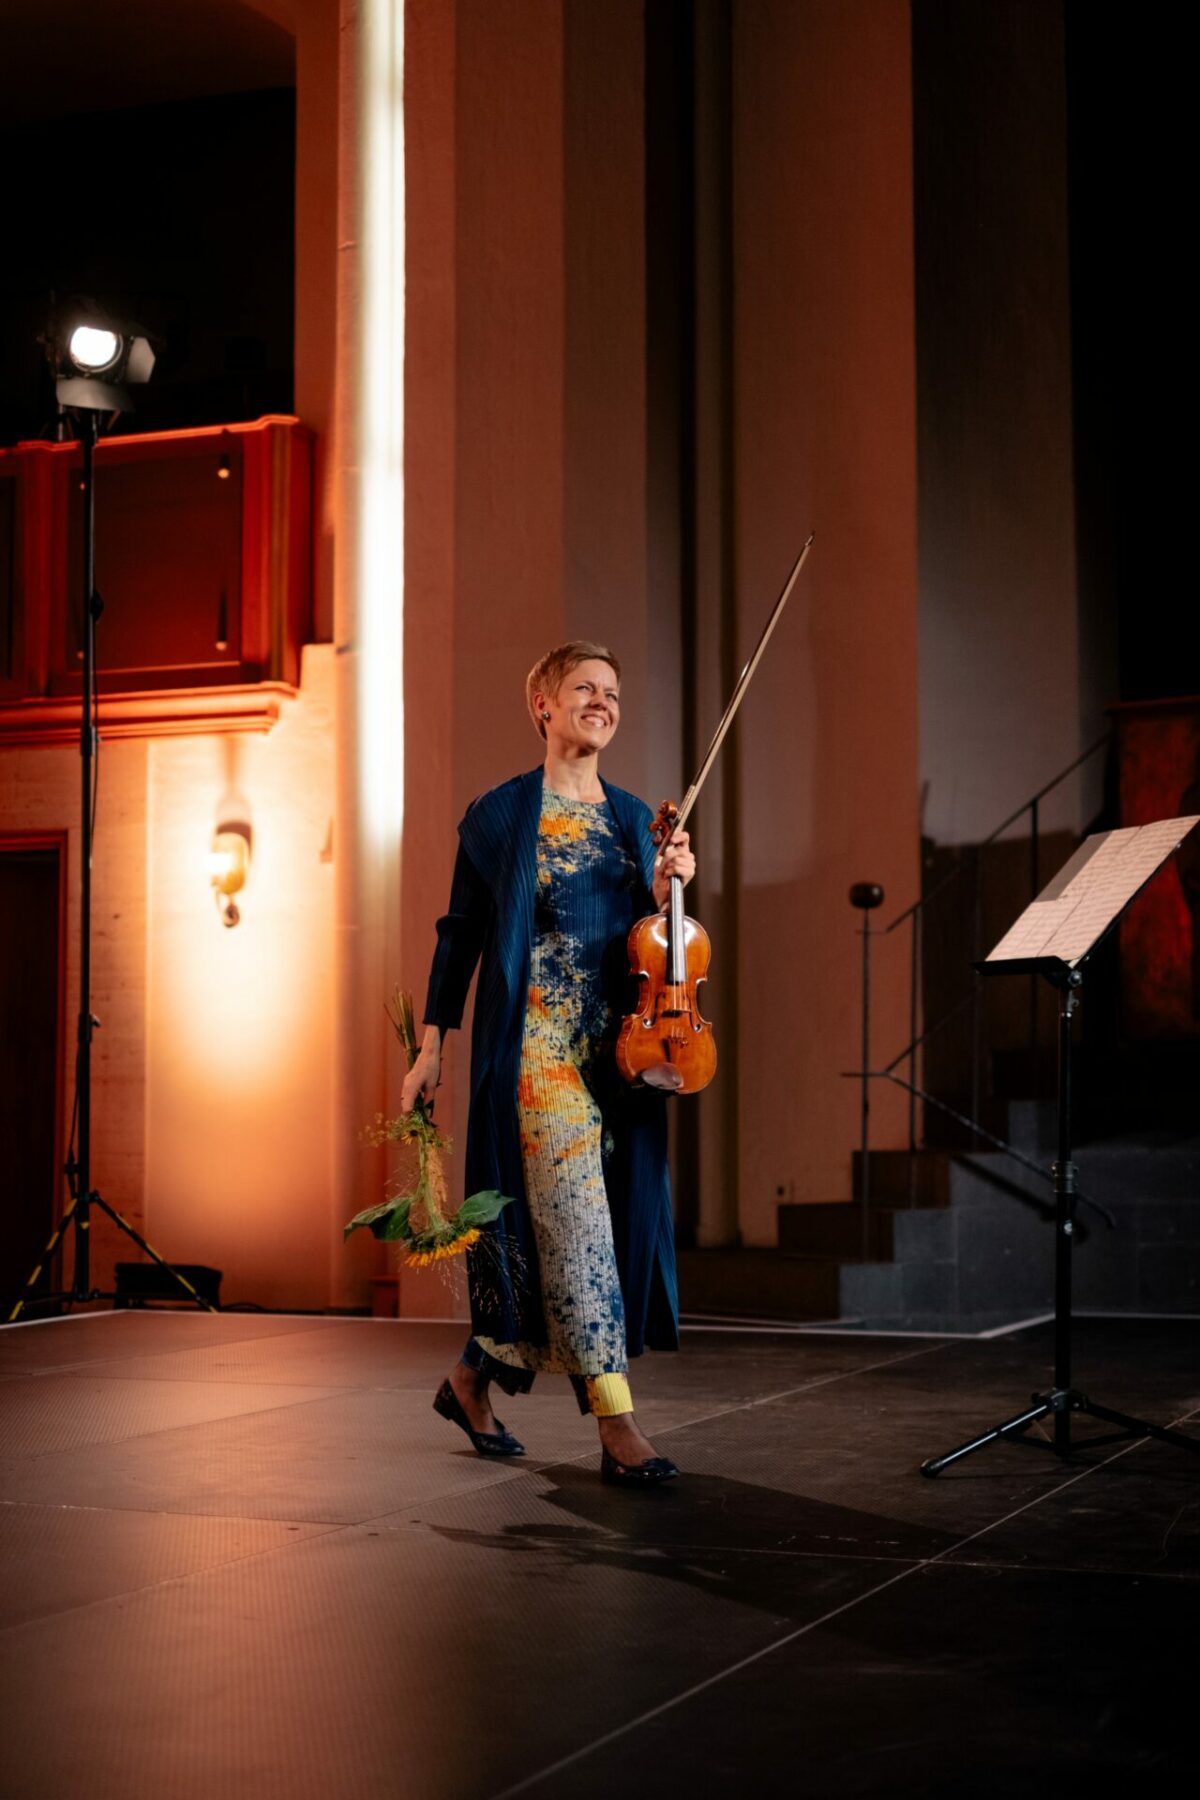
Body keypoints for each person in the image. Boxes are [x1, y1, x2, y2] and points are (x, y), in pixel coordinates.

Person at [402, 642, 696, 1486]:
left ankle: (469, 1379)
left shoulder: (642, 822)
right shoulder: (497, 819)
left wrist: (677, 883)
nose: (602, 701)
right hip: (535, 1059)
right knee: (580, 1236)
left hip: (620, 1062)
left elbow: (664, 951)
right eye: (584, 689)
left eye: (613, 690)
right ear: (542, 705)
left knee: (548, 1243)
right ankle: (617, 1426)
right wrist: (432, 1048)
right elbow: (458, 938)